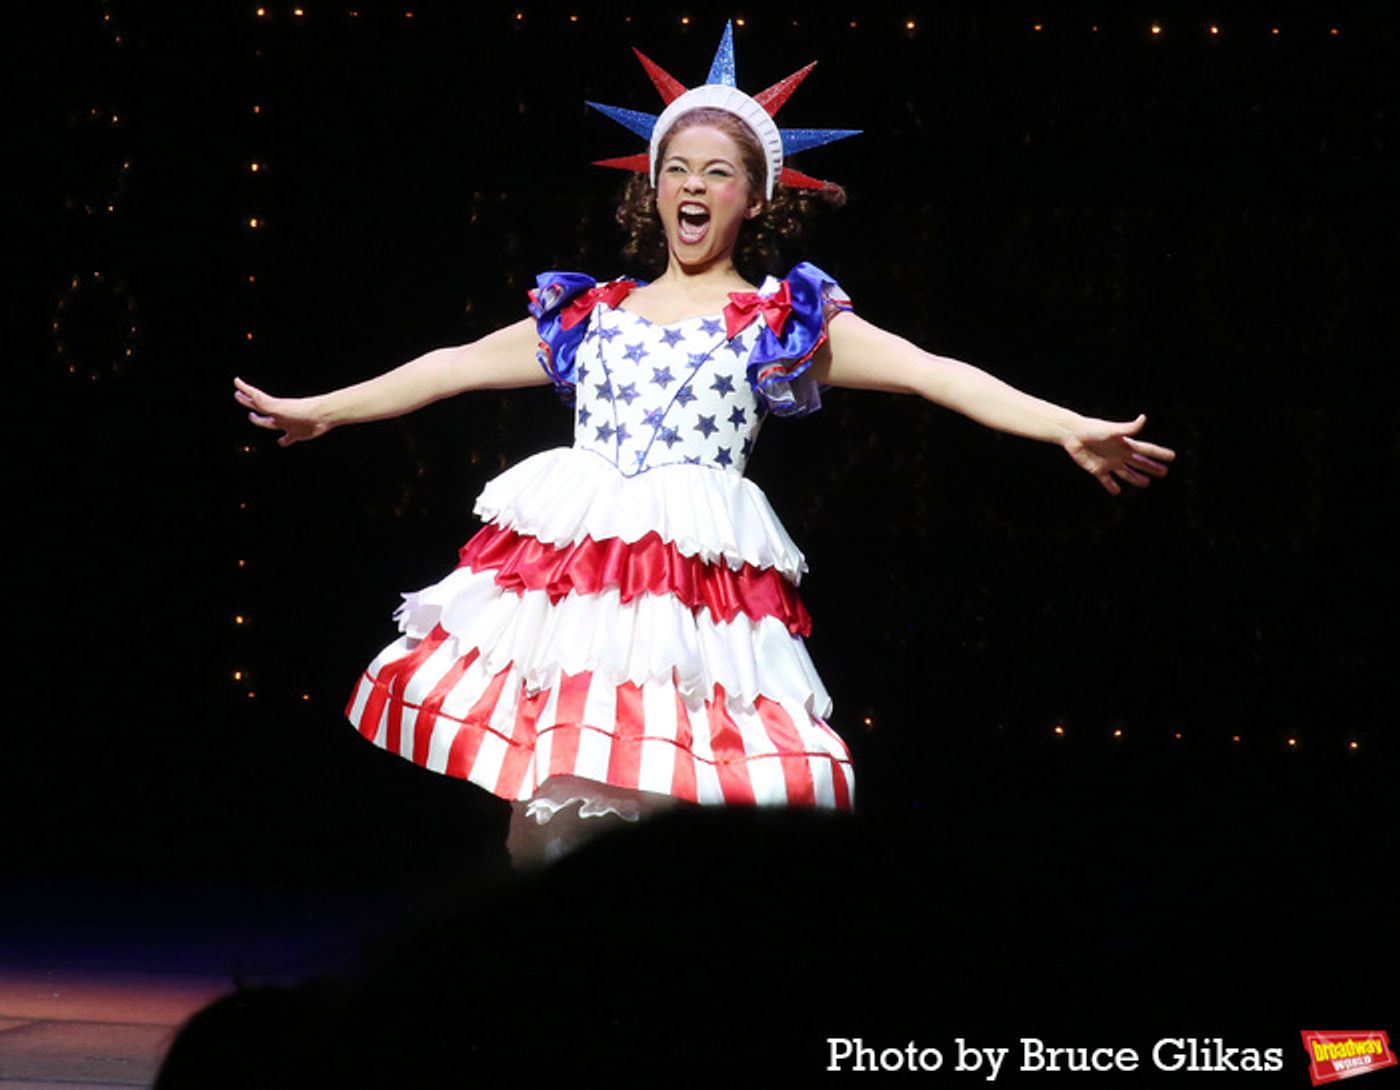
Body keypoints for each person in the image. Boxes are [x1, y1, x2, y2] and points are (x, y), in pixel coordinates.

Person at [234, 24, 1173, 867]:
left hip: (691, 601)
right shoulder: (590, 316)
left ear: (757, 200)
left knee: (666, 797)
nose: (695, 186)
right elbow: (452, 365)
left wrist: (1067, 428)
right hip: (573, 588)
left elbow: (935, 370)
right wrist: (327, 409)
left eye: (719, 172)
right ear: (652, 185)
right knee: (552, 799)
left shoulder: (778, 322)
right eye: (679, 168)